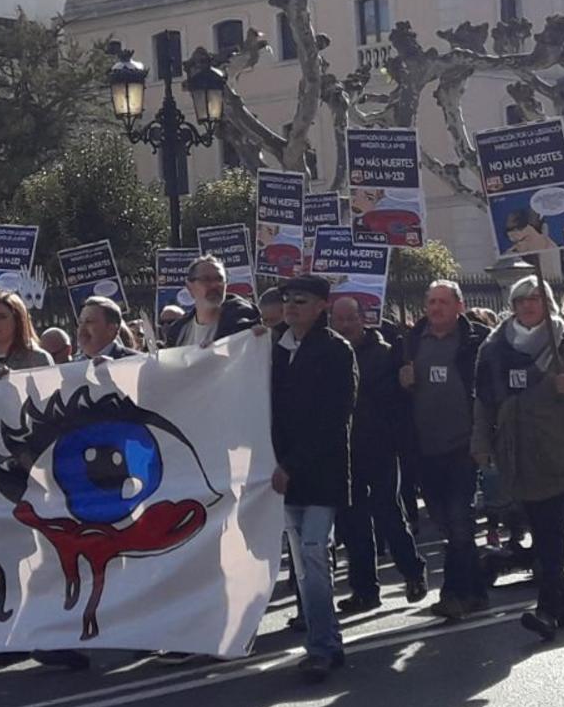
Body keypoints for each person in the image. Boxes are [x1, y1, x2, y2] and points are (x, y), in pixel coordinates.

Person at [473, 276, 564, 641]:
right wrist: (481, 442)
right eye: (522, 300)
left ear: (548, 304)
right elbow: (483, 399)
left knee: (547, 530)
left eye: (536, 299)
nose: (529, 305)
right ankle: (561, 609)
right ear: (513, 306)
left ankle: (546, 608)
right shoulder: (494, 346)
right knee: (541, 529)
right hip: (514, 451)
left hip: (555, 450)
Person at [269, 276, 356, 681]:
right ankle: (322, 637)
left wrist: (292, 464)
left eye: (300, 300)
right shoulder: (274, 348)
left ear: (322, 306)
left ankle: (324, 645)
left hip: (319, 473)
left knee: (314, 552)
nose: (291, 306)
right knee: (303, 564)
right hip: (286, 477)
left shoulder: (335, 351)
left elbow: (332, 419)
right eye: (287, 300)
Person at [330, 295, 428, 614]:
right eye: (339, 319)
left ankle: (412, 572)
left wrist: (405, 381)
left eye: (350, 318)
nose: (345, 325)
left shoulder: (384, 354)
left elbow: (399, 401)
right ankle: (364, 589)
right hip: (344, 452)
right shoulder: (329, 354)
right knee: (353, 522)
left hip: (380, 447)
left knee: (387, 512)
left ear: (362, 320)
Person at [399, 280, 490, 619]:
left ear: (459, 306)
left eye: (442, 302)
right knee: (445, 524)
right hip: (424, 448)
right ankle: (477, 591)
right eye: (431, 301)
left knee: (460, 520)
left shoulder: (475, 340)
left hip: (462, 446)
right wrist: (402, 381)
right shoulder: (410, 343)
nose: (435, 308)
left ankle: (453, 593)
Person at [163, 256, 260, 347]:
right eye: (206, 279)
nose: (214, 285)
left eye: (219, 279)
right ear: (190, 287)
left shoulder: (242, 321)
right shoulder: (178, 332)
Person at [0, 289, 54, 374]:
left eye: (2, 317)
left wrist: (13, 378)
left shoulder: (37, 359)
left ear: (18, 321)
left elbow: (49, 386)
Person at [74, 296, 137, 362]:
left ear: (111, 329)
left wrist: (113, 366)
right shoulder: (72, 368)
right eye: (80, 322)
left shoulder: (135, 362)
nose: (81, 328)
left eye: (89, 321)